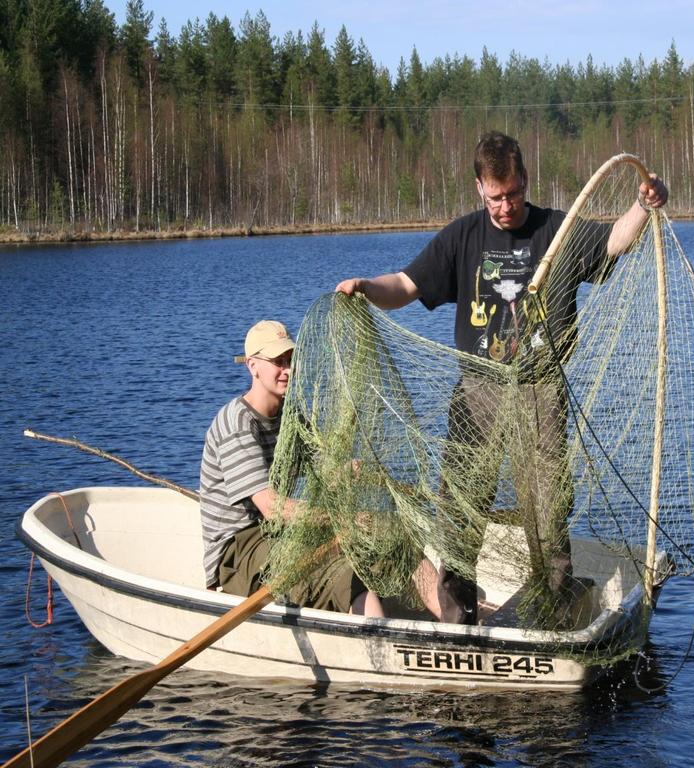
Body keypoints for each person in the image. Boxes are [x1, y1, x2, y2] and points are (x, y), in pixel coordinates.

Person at [335, 131, 668, 627]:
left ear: (524, 181)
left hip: (540, 390)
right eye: (496, 197)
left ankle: (553, 611)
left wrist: (644, 206)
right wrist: (365, 287)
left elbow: (615, 241)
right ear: (479, 189)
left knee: (546, 507)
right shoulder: (462, 237)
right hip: (477, 391)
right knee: (461, 508)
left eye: (513, 193)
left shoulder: (557, 228)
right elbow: (404, 285)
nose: (506, 206)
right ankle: (456, 616)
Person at [199, 319, 385, 616]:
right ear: (253, 366)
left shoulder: (291, 416)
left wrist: (354, 470)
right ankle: (376, 648)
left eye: (290, 360)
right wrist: (342, 520)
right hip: (239, 550)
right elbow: (272, 508)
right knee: (347, 577)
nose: (287, 369)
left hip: (280, 532)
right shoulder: (237, 423)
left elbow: (328, 472)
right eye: (277, 361)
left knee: (376, 550)